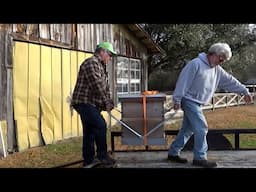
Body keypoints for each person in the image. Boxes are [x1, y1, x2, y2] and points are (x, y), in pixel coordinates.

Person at [167, 42, 252, 168]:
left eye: (224, 59)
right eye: (221, 57)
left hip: (197, 103)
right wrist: (177, 99)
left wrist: (244, 91)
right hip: (189, 101)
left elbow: (230, 81)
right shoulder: (195, 64)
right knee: (202, 127)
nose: (222, 61)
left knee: (188, 129)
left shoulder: (217, 69)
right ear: (213, 54)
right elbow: (183, 81)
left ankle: (173, 153)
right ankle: (200, 158)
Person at [71, 42, 117, 167]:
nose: (110, 58)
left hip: (90, 103)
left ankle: (89, 160)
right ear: (102, 52)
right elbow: (97, 85)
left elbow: (104, 87)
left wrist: (108, 102)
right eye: (109, 54)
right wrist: (106, 102)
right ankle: (102, 156)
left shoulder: (100, 66)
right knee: (101, 125)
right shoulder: (92, 63)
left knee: (90, 131)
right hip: (84, 102)